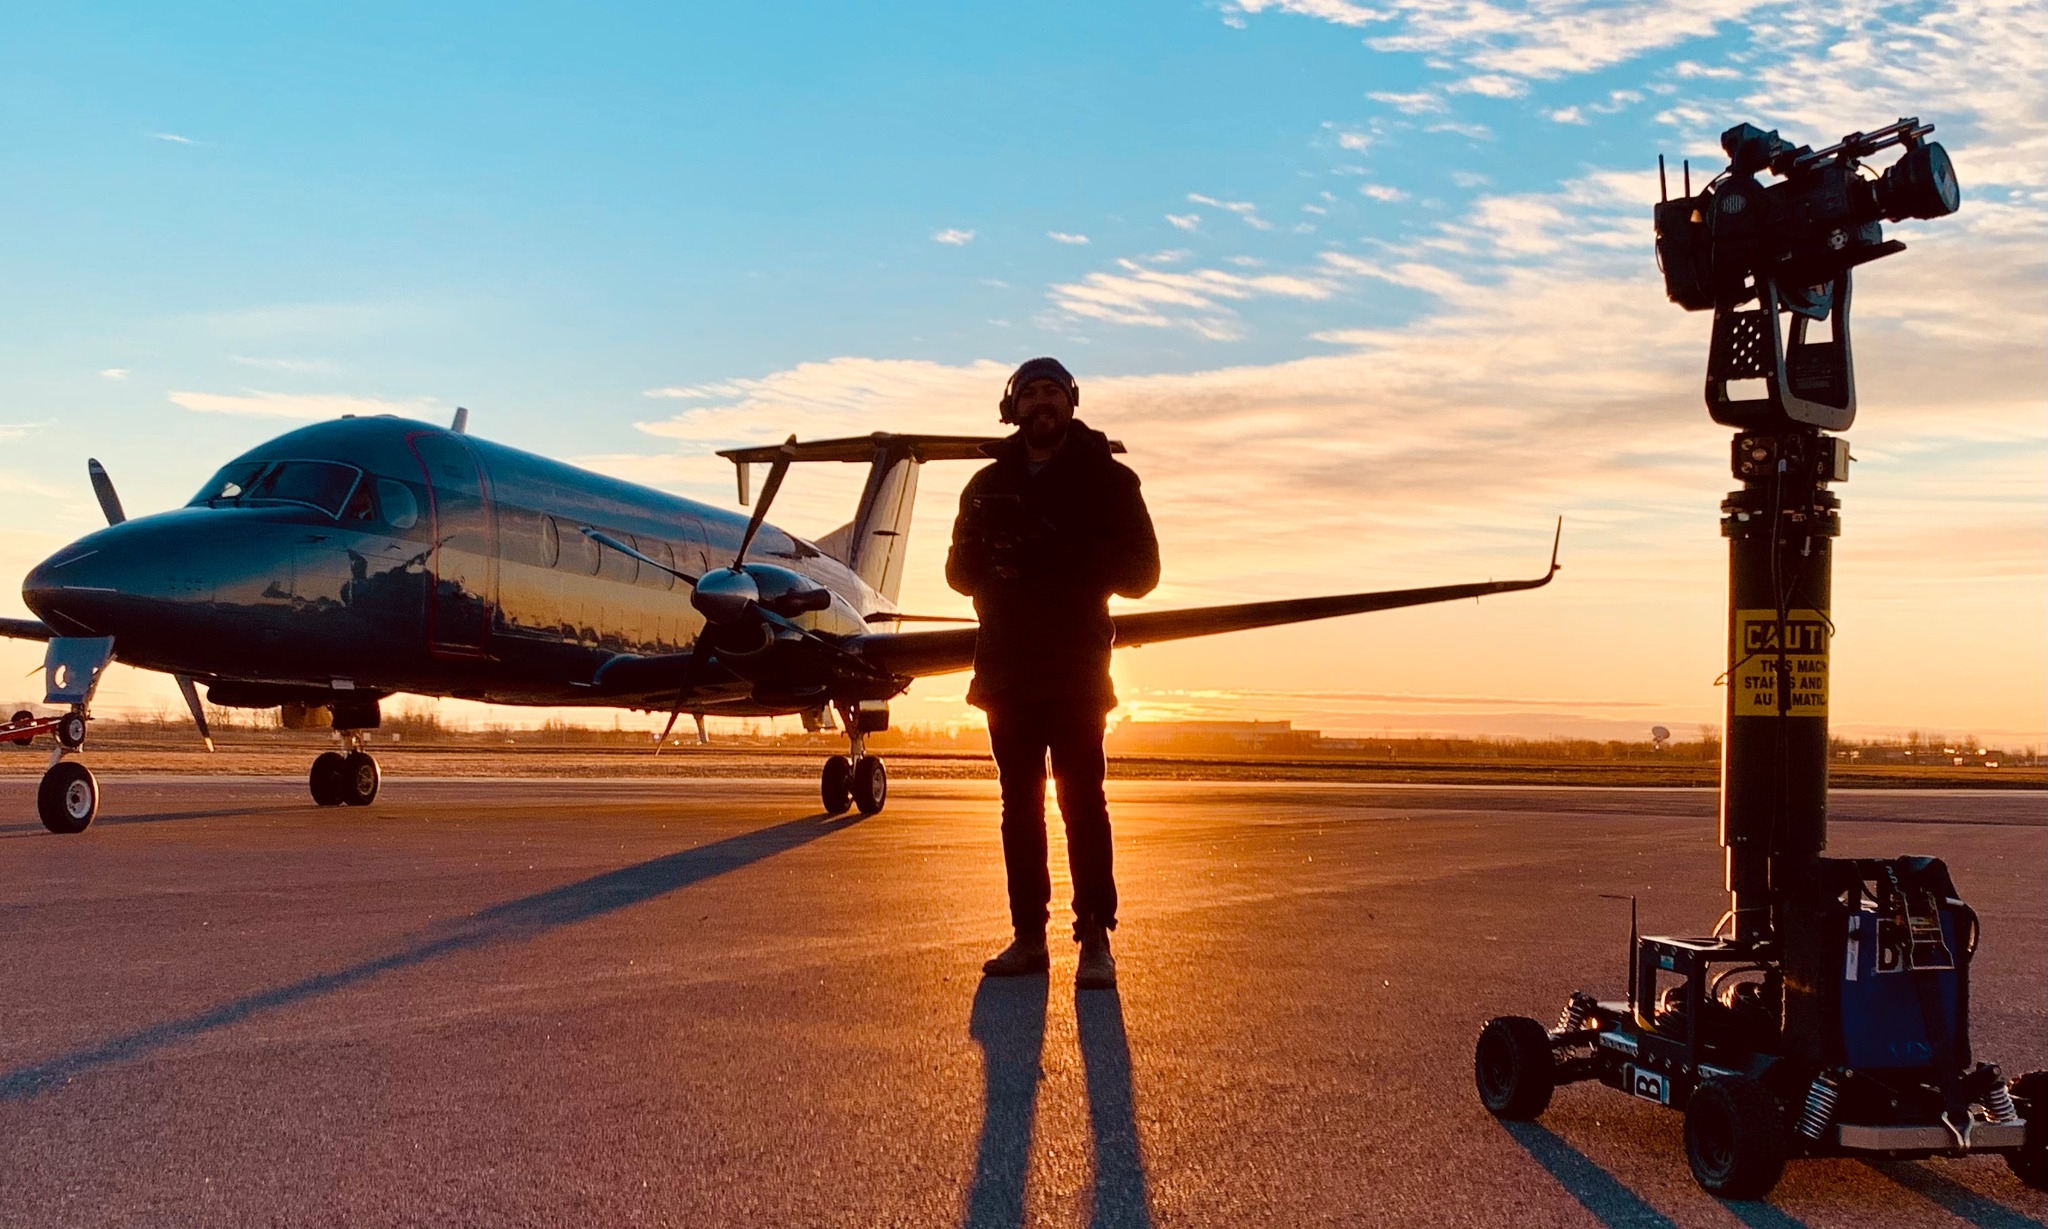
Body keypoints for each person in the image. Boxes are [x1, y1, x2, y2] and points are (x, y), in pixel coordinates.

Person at [946, 357, 1160, 989]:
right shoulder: (983, 486)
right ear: (1013, 407)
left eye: (1052, 393)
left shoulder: (1110, 482)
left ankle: (1095, 936)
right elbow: (957, 579)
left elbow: (1143, 574)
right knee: (1019, 807)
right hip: (1007, 666)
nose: (1042, 403)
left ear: (1070, 403)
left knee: (1081, 801)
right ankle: (1027, 936)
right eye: (1031, 393)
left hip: (1074, 667)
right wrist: (983, 550)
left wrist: (1057, 547)